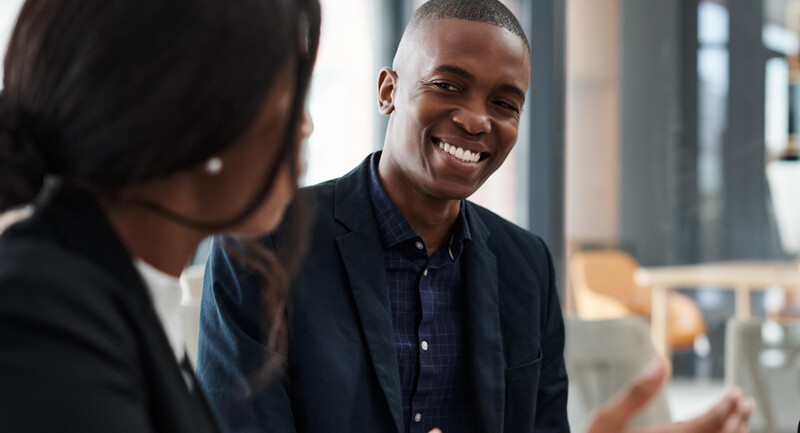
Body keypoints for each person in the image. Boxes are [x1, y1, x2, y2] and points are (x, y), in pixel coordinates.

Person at [198, 1, 754, 432]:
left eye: (504, 104)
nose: (475, 119)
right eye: (447, 86)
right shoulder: (264, 243)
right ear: (389, 91)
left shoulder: (525, 264)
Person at [0, 0, 320, 431]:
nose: (305, 125)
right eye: (290, 92)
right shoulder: (46, 311)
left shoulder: (116, 287)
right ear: (194, 115)